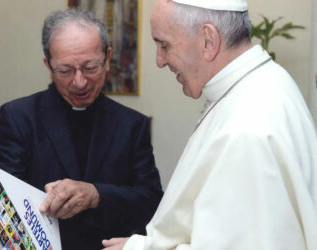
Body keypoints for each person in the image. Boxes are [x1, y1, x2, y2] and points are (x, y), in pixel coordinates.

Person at [103, 0, 317, 249]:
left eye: (164, 45)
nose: (159, 61)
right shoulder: (264, 83)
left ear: (208, 40)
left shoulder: (248, 127)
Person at [0, 8, 163, 250]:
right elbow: (0, 203)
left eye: (90, 67)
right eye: (65, 70)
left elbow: (151, 202)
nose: (79, 82)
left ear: (107, 58)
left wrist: (97, 195)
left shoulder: (132, 124)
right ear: (48, 66)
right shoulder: (19, 117)